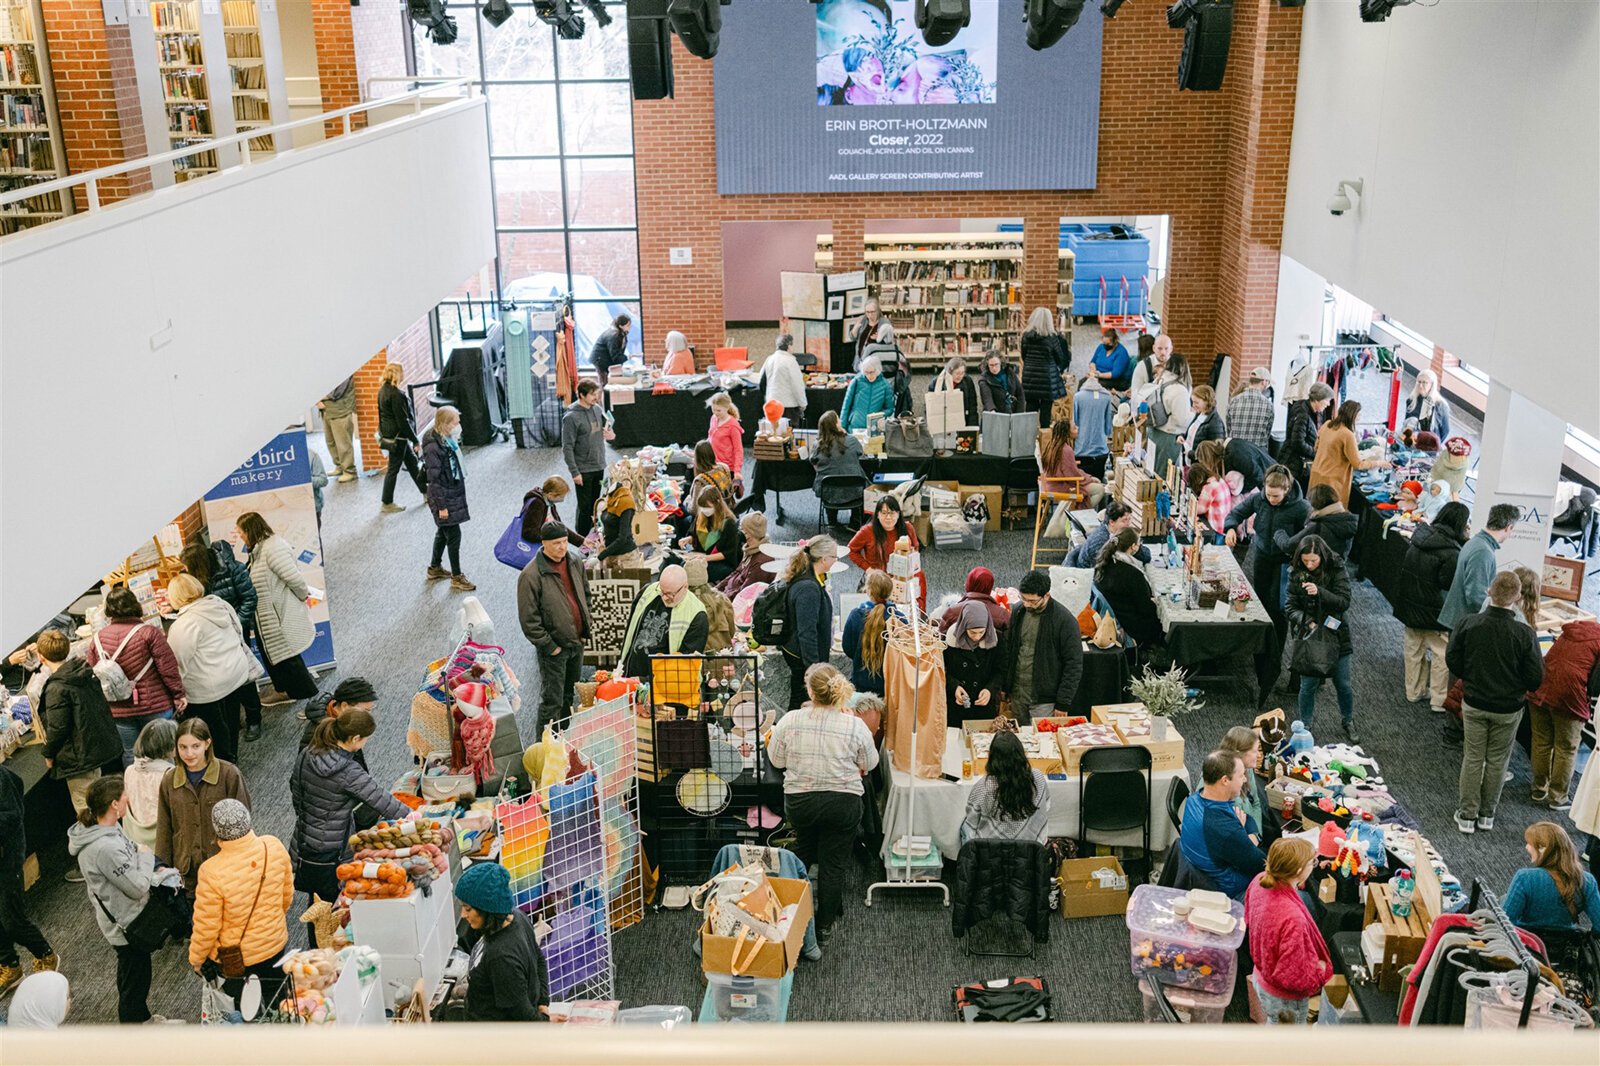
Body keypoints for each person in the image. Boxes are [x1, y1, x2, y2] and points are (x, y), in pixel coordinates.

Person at [767, 664, 878, 942]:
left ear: (810, 692)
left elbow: (776, 761)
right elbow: (871, 763)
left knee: (803, 850)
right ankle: (825, 925)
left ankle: (789, 914)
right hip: (843, 803)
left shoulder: (790, 720)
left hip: (801, 803)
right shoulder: (854, 725)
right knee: (834, 863)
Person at [69, 774, 183, 1023]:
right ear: (113, 804)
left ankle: (141, 1020)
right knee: (136, 980)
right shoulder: (104, 848)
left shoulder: (106, 828)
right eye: (124, 796)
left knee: (131, 975)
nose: (128, 799)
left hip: (123, 916)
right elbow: (138, 886)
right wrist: (146, 856)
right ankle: (135, 1027)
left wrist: (139, 856)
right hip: (126, 923)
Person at [1446, 572, 1544, 834]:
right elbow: (1535, 678)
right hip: (1508, 708)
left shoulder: (1469, 623)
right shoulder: (1525, 634)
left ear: (1489, 591)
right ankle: (1487, 815)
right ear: (1517, 597)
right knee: (1498, 760)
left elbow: (1453, 660)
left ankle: (1467, 815)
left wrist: (1471, 677)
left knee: (1473, 757)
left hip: (1475, 701)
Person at [288, 710, 410, 905]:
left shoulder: (308, 752)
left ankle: (316, 923)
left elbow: (296, 790)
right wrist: (417, 818)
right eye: (365, 739)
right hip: (335, 847)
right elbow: (383, 801)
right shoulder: (347, 771)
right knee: (337, 902)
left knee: (317, 897)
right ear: (355, 738)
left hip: (303, 838)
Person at [188, 800, 293, 1009]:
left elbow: (207, 926)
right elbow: (287, 895)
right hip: (274, 943)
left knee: (245, 1010)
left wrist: (196, 959)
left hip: (237, 959)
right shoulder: (273, 846)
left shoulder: (211, 871)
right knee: (281, 1004)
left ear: (217, 830)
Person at [1224, 466, 1309, 688]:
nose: (1271, 499)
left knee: (1279, 611)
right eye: (1268, 494)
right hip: (1261, 556)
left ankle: (1273, 661)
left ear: (1287, 490)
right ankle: (1259, 655)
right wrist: (1231, 528)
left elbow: (1310, 534)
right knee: (1260, 604)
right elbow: (1235, 513)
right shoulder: (1259, 499)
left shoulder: (1301, 507)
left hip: (1285, 563)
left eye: (1276, 496)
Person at [85, 585, 186, 767]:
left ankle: (135, 784)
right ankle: (169, 783)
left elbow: (93, 671)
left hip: (119, 709)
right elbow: (168, 668)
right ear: (135, 605)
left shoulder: (97, 639)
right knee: (164, 750)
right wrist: (178, 694)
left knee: (131, 753)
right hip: (154, 705)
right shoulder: (149, 633)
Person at [164, 573, 258, 757]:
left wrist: (176, 691)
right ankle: (231, 758)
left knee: (213, 730)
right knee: (231, 721)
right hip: (235, 673)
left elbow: (177, 661)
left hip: (208, 687)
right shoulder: (220, 604)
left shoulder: (184, 624)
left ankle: (222, 763)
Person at [1392, 501, 1470, 714]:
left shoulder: (1419, 538)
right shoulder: (1452, 552)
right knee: (1440, 655)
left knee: (1413, 650)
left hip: (1409, 607)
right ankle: (1438, 699)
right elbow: (1448, 583)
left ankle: (1413, 691)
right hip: (1436, 613)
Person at [1243, 838, 1331, 1024]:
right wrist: (1320, 972)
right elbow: (1294, 976)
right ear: (1298, 870)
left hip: (1261, 974)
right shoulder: (1292, 919)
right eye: (1312, 862)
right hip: (1283, 998)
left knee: (1273, 1023)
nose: (1314, 865)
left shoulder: (1260, 880)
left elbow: (1248, 918)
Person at [156, 719, 249, 893]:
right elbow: (164, 826)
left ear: (207, 744)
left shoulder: (229, 775)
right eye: (183, 747)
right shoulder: (169, 780)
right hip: (186, 872)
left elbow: (243, 826)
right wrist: (162, 867)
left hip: (224, 870)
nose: (189, 753)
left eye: (195, 746)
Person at [35, 627, 120, 818]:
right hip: (94, 748)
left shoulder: (57, 688)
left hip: (79, 757)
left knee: (86, 808)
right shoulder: (83, 672)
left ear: (41, 657)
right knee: (99, 800)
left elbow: (58, 727)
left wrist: (48, 753)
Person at [237, 511, 319, 704]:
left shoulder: (273, 549)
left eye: (241, 532)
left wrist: (302, 596)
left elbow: (294, 579)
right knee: (275, 656)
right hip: (268, 615)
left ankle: (308, 698)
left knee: (287, 657)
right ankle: (283, 691)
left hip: (278, 615)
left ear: (251, 530)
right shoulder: (259, 550)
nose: (240, 536)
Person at [517, 522, 591, 733]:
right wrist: (550, 647)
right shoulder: (530, 575)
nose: (562, 547)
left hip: (577, 642)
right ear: (544, 543)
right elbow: (529, 620)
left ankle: (564, 740)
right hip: (554, 649)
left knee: (569, 696)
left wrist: (586, 627)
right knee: (552, 701)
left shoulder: (575, 561)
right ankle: (543, 747)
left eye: (565, 541)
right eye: (557, 543)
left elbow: (586, 595)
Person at [453, 862, 549, 1021]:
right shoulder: (518, 916)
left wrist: (545, 1020)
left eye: (468, 909)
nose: (463, 914)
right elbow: (538, 958)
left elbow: (522, 1016)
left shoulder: (501, 957)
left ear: (487, 909)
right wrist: (543, 1003)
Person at [1287, 535, 1358, 743]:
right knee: (1308, 685)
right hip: (1310, 637)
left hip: (1336, 635)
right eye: (1305, 561)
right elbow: (1290, 607)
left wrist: (1320, 592)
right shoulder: (1295, 573)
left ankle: (1348, 720)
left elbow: (1344, 602)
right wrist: (1308, 622)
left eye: (1313, 561)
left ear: (1322, 557)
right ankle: (1305, 725)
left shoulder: (1337, 569)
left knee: (1343, 683)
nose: (1309, 565)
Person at [1527, 617, 1600, 812]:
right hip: (1569, 697)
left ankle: (1538, 789)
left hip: (1540, 688)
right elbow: (1595, 684)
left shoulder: (1570, 632)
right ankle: (1558, 797)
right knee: (1566, 748)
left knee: (1541, 741)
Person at [1179, 750, 1265, 900]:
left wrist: (1242, 833)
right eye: (1241, 776)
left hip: (1209, 868)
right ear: (1225, 780)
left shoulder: (1195, 799)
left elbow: (1248, 820)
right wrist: (1249, 837)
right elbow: (1261, 865)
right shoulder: (1225, 830)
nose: (1245, 779)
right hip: (1229, 890)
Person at [0, 764, 54, 993]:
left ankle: (45, 955)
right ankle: (9, 965)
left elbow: (12, 814)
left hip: (6, 856)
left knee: (11, 919)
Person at [1004, 570, 1084, 722]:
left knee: (1042, 735)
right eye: (1023, 598)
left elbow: (1074, 664)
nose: (1027, 604)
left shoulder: (1065, 621)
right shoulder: (1018, 611)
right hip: (1017, 693)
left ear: (1046, 595)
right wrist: (1006, 686)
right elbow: (1010, 650)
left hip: (1044, 700)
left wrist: (1063, 702)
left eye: (1032, 601)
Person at [1502, 822, 1600, 930]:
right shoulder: (1587, 880)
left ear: (1542, 849)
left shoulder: (1524, 877)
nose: (1526, 847)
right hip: (1566, 937)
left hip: (1526, 937)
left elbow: (1506, 922)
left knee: (1503, 899)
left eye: (1529, 844)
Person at [618, 564, 708, 680]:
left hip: (666, 683)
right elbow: (631, 630)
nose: (664, 597)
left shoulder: (697, 614)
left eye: (670, 594)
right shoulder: (649, 591)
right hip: (631, 674)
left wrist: (646, 680)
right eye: (662, 591)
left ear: (685, 587)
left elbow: (685, 662)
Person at [960, 730, 1050, 845]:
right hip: (1032, 848)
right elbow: (1046, 806)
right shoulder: (1037, 777)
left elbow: (972, 821)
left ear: (992, 757)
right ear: (1021, 754)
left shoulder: (984, 786)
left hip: (990, 849)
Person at [1438, 502, 1518, 630]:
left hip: (1461, 620)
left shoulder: (1476, 542)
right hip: (1467, 624)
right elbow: (1476, 596)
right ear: (1509, 527)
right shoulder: (1483, 551)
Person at [422, 405, 476, 592]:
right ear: (445, 424)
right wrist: (442, 507)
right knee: (453, 535)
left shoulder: (447, 440)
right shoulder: (433, 447)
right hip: (443, 497)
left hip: (451, 492)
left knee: (443, 532)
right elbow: (434, 481)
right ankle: (456, 576)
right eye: (455, 423)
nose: (458, 426)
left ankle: (434, 568)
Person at [780, 537, 838, 712]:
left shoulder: (807, 578)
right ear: (824, 559)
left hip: (797, 652)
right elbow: (807, 632)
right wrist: (814, 669)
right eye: (834, 557)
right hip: (803, 657)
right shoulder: (809, 589)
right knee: (801, 700)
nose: (835, 561)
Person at [847, 496, 927, 610]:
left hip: (901, 577)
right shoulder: (867, 531)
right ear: (877, 515)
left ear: (898, 514)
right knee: (870, 612)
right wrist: (868, 569)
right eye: (884, 513)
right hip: (877, 577)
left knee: (906, 607)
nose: (888, 517)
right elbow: (851, 550)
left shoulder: (908, 528)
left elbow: (915, 549)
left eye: (892, 513)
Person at [179, 541, 257, 658]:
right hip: (214, 635)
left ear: (197, 565)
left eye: (187, 567)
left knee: (241, 662)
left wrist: (236, 625)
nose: (186, 570)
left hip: (237, 631)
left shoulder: (234, 569)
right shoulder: (196, 576)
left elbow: (249, 599)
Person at [1309, 400, 1390, 508]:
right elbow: (1358, 464)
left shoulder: (1327, 425)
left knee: (1313, 508)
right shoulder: (1347, 435)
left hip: (1317, 474)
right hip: (1333, 481)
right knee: (1331, 512)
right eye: (1359, 415)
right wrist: (1378, 463)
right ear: (1353, 415)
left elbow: (1316, 447)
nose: (1359, 418)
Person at [1094, 529, 1165, 652]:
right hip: (1130, 624)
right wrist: (1155, 603)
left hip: (1115, 616)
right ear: (1133, 547)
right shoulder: (1133, 574)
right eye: (1139, 543)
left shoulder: (1104, 563)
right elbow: (1146, 609)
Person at [944, 601, 1005, 726]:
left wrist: (990, 689)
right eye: (972, 632)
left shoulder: (995, 639)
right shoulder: (951, 641)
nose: (977, 637)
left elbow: (1001, 670)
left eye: (981, 632)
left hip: (983, 704)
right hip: (957, 705)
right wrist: (954, 686)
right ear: (964, 626)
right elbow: (942, 670)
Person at [376, 362, 427, 513]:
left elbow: (382, 415)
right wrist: (415, 440)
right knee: (393, 470)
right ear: (398, 374)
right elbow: (403, 421)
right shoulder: (396, 394)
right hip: (399, 438)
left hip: (392, 436)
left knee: (412, 464)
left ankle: (426, 492)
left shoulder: (382, 391)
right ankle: (386, 502)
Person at [122, 718, 177, 851]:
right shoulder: (170, 775)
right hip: (163, 841)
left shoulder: (130, 770)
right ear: (166, 745)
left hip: (137, 839)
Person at [561, 380, 608, 538]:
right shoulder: (571, 417)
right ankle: (581, 539)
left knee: (596, 503)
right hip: (583, 469)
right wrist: (574, 472)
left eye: (597, 394)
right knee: (584, 506)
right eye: (593, 394)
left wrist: (610, 434)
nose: (596, 397)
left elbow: (606, 427)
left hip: (599, 465)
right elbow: (567, 447)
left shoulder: (597, 409)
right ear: (582, 395)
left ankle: (593, 535)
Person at [1220, 725, 1277, 846]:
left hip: (1252, 825)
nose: (1259, 755)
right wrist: (1255, 838)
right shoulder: (1226, 788)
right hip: (1240, 836)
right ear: (1239, 754)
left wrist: (1257, 833)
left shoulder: (1247, 767)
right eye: (1255, 751)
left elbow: (1256, 802)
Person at [841, 571, 895, 697]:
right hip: (888, 686)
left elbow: (847, 648)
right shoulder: (898, 618)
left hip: (861, 682)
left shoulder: (855, 615)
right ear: (890, 592)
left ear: (868, 591)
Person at [812, 410, 868, 527]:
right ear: (836, 425)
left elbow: (813, 461)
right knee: (861, 480)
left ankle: (832, 521)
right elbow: (860, 452)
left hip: (828, 491)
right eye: (838, 419)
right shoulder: (852, 440)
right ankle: (855, 523)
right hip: (854, 490)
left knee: (830, 485)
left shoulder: (817, 445)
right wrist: (845, 434)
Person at [1276, 482, 1358, 560]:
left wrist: (1278, 533)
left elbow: (1288, 546)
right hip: (1337, 567)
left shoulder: (1318, 526)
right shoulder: (1348, 520)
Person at [298, 677, 378, 755]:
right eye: (366, 710)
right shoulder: (318, 734)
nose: (369, 715)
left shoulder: (348, 721)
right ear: (345, 706)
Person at [680, 485, 742, 584]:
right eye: (702, 507)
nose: (704, 510)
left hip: (721, 562)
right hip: (703, 556)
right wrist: (688, 539)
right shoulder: (701, 517)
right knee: (681, 565)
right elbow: (695, 536)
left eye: (707, 507)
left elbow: (728, 553)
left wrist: (705, 558)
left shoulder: (728, 523)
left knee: (692, 572)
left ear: (717, 503)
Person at [1019, 307, 1070, 427]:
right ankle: (1044, 434)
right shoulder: (1052, 338)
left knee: (1030, 407)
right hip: (1047, 379)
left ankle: (1029, 434)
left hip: (1030, 377)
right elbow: (1060, 358)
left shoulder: (1026, 336)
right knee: (1046, 410)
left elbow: (1024, 355)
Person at [1038, 418, 1103, 507]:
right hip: (1059, 486)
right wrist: (1089, 479)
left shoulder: (1052, 445)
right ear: (1067, 432)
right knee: (1100, 489)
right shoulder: (1066, 450)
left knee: (1095, 482)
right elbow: (1072, 475)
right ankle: (1081, 512)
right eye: (1074, 428)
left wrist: (1087, 477)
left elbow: (1070, 471)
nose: (1077, 428)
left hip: (1049, 484)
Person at [1146, 351, 1192, 477]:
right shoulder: (1180, 390)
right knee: (1164, 477)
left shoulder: (1158, 380)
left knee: (1151, 473)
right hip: (1168, 437)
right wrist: (1194, 416)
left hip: (1153, 431)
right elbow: (1181, 419)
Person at [1279, 382, 1334, 487]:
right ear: (1318, 399)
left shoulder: (1306, 409)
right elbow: (1297, 442)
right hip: (1294, 464)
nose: (1328, 404)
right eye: (1327, 400)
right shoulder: (1303, 414)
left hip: (1292, 460)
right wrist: (1316, 453)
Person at [1068, 501, 1151, 569]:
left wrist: (1135, 549)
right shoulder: (1101, 541)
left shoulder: (1120, 533)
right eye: (1124, 520)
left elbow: (1147, 555)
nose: (1129, 524)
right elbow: (1103, 572)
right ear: (1112, 522)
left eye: (1130, 519)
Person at [936, 566, 1011, 638]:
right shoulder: (1003, 615)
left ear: (969, 583)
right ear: (990, 587)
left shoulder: (951, 612)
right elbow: (1011, 641)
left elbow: (941, 638)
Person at [718, 512, 774, 599]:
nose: (739, 531)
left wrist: (722, 598)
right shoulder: (749, 548)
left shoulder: (761, 561)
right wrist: (718, 587)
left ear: (749, 533)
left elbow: (745, 593)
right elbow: (737, 571)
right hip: (730, 591)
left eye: (742, 528)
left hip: (738, 600)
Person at [684, 557, 734, 654]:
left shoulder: (682, 604)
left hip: (693, 659)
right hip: (722, 656)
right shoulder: (722, 600)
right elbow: (731, 631)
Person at [596, 466, 643, 568]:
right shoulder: (611, 498)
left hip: (625, 558)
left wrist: (602, 555)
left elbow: (622, 538)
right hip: (611, 554)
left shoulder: (626, 503)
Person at [518, 476, 584, 547]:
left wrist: (582, 541)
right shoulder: (537, 504)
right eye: (561, 496)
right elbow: (529, 533)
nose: (562, 499)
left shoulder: (549, 504)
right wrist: (552, 538)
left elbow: (559, 527)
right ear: (550, 495)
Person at [1071, 372, 1115, 480]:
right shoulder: (1106, 397)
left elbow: (1075, 421)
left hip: (1081, 447)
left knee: (1082, 481)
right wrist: (1107, 433)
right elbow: (1108, 424)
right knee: (1099, 478)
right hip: (1100, 447)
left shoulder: (1078, 397)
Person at [1189, 439, 1233, 543]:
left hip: (1216, 528)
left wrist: (1189, 502)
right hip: (1224, 525)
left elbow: (1199, 509)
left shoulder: (1209, 486)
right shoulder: (1219, 479)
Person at [838, 355, 895, 432]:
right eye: (866, 372)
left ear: (878, 370)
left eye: (871, 372)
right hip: (854, 427)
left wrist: (879, 414)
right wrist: (842, 427)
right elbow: (846, 406)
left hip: (874, 428)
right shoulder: (856, 381)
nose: (869, 376)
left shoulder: (885, 385)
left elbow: (890, 409)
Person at [318, 376, 357, 482]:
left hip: (340, 412)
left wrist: (318, 399)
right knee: (331, 442)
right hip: (327, 411)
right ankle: (340, 466)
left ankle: (349, 471)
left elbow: (335, 393)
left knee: (343, 444)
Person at [761, 333, 807, 424]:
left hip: (771, 404)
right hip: (788, 406)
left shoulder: (769, 359)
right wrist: (803, 404)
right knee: (788, 431)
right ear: (789, 346)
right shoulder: (790, 361)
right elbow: (797, 385)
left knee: (773, 431)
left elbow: (761, 382)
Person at [1227, 367, 1275, 453]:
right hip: (1258, 453)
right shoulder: (1268, 405)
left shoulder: (1234, 401)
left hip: (1236, 451)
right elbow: (1267, 432)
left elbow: (1229, 428)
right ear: (1264, 382)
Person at [707, 391, 745, 492]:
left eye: (718, 410)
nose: (715, 413)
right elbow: (710, 437)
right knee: (714, 493)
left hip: (727, 468)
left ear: (727, 408)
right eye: (713, 410)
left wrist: (737, 471)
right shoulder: (714, 418)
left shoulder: (733, 426)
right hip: (713, 464)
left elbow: (738, 450)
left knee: (725, 495)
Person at [928, 356, 980, 429]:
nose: (960, 376)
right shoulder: (937, 383)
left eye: (962, 373)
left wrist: (972, 427)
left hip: (963, 419)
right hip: (943, 422)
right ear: (950, 372)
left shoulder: (967, 381)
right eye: (957, 373)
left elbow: (972, 406)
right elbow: (930, 407)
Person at [685, 440, 736, 513]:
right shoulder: (724, 467)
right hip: (729, 511)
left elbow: (694, 510)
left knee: (681, 510)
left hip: (714, 517)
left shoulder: (700, 481)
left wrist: (687, 502)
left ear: (697, 459)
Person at [588, 313, 631, 397]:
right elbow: (615, 355)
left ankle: (606, 400)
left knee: (606, 382)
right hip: (600, 359)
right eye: (628, 325)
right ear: (621, 326)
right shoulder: (614, 335)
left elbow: (618, 353)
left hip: (604, 358)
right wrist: (626, 357)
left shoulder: (621, 333)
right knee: (604, 383)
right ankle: (603, 401)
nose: (630, 327)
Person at [1404, 368, 1452, 440]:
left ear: (1432, 385)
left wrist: (1435, 444)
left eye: (1424, 382)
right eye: (1419, 382)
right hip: (1410, 440)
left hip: (1429, 443)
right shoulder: (1411, 400)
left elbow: (1445, 431)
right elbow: (1406, 422)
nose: (1420, 385)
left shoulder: (1440, 405)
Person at [1181, 384, 1227, 458]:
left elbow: (1214, 452)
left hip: (1199, 463)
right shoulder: (1199, 414)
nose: (1193, 405)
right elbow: (1194, 434)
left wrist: (1191, 454)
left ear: (1206, 401)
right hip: (1189, 460)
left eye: (1196, 402)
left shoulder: (1216, 424)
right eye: (1192, 402)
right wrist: (1181, 436)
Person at [1089, 327, 1132, 393]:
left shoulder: (1121, 353)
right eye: (1104, 343)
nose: (1105, 346)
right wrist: (1093, 370)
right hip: (1100, 375)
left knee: (1093, 386)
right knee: (1083, 382)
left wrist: (1098, 375)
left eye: (1108, 344)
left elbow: (1115, 374)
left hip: (1117, 380)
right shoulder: (1101, 347)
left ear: (1115, 341)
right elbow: (1093, 361)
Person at [1128, 332, 1169, 401]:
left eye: (1166, 348)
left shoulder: (1137, 363)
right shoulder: (1142, 365)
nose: (1163, 352)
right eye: (1160, 348)